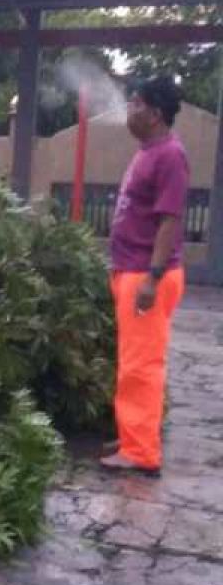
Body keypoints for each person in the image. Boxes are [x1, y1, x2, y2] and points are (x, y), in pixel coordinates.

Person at [100, 76, 189, 476]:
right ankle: (133, 436)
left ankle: (140, 453)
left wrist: (152, 278)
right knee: (131, 360)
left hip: (147, 275)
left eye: (136, 104)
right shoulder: (148, 151)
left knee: (141, 365)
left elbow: (170, 220)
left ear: (154, 114)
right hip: (130, 271)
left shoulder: (170, 155)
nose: (129, 111)